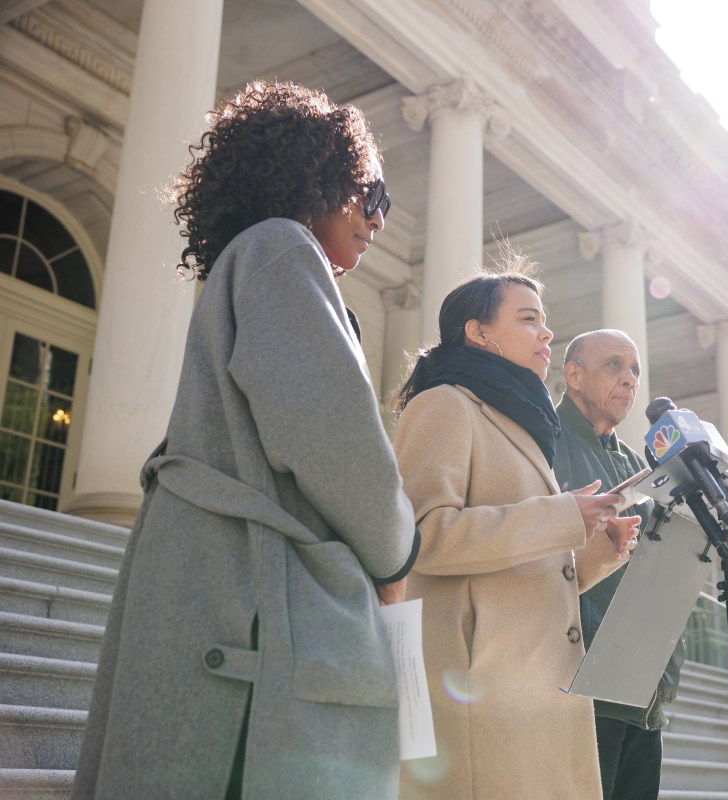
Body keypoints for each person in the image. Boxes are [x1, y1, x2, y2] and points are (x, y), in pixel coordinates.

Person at [71, 80, 418, 800]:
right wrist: (396, 552)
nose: (379, 221)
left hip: (215, 590)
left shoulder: (253, 258)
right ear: (315, 175)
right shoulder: (283, 251)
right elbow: (337, 444)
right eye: (370, 194)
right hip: (249, 609)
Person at [391, 266, 640, 799]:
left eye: (545, 322)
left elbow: (521, 573)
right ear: (479, 333)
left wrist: (597, 552)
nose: (546, 333)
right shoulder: (445, 405)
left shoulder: (518, 422)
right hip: (482, 690)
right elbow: (421, 537)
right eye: (528, 320)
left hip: (536, 690)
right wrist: (560, 516)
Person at [553, 330, 687, 800]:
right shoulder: (541, 443)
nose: (629, 379)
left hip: (643, 692)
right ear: (574, 375)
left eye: (634, 370)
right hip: (581, 687)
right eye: (614, 365)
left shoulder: (639, 466)